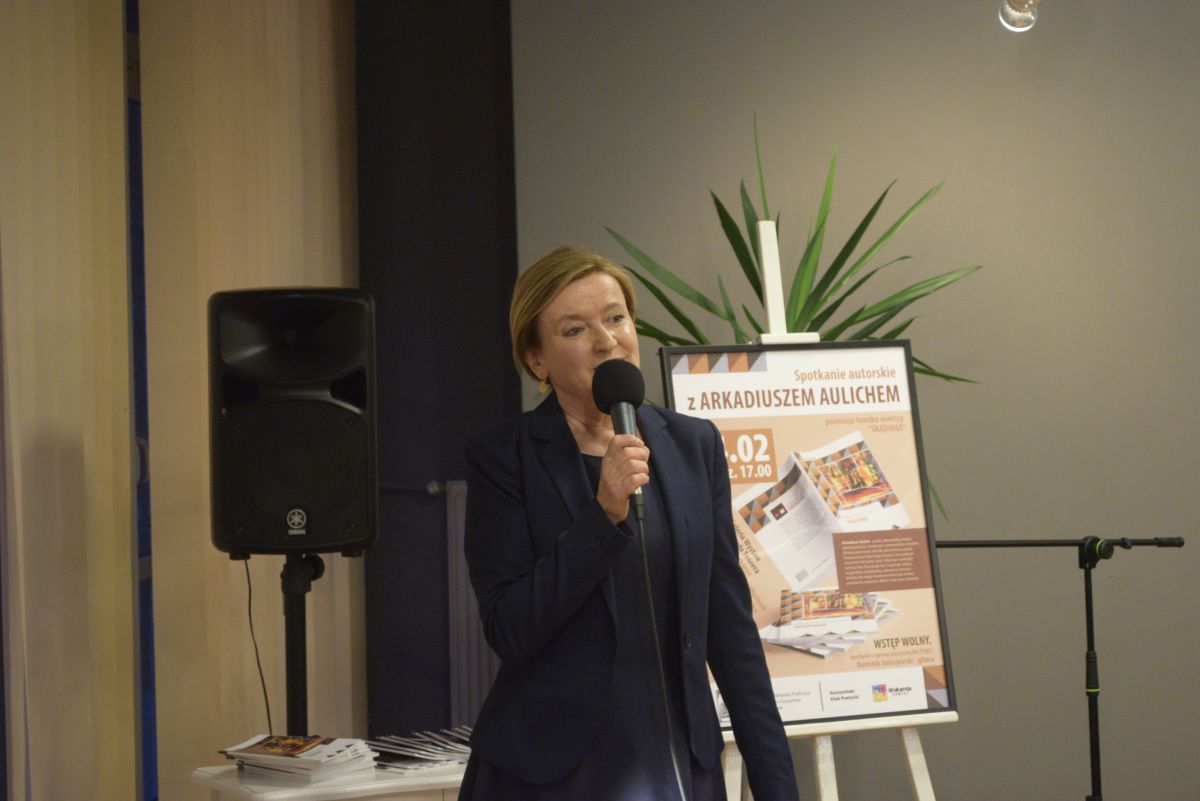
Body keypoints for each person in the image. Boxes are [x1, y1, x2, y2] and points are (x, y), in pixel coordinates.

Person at [460, 244, 800, 801]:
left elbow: (730, 630)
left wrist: (777, 787)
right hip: (557, 773)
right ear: (537, 359)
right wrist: (603, 516)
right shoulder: (503, 459)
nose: (606, 341)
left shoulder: (692, 445)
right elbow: (511, 629)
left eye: (616, 318)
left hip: (677, 764)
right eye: (575, 329)